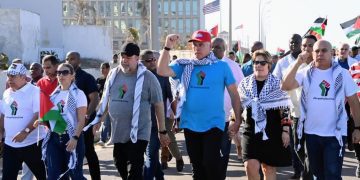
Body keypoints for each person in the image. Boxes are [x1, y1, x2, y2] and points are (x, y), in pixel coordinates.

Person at [157, 30, 242, 180]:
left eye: (201, 45)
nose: (197, 48)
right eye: (195, 45)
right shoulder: (185, 65)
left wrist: (237, 121)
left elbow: (235, 95)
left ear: (210, 46)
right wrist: (167, 46)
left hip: (214, 125)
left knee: (211, 164)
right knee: (197, 167)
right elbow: (161, 70)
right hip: (190, 124)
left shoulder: (222, 66)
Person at [281, 40, 360, 179]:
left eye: (324, 50)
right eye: (317, 51)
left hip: (335, 134)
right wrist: (298, 63)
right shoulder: (305, 72)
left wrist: (358, 128)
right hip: (311, 134)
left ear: (332, 53)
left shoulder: (342, 74)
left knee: (332, 175)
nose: (320, 53)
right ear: (312, 53)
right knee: (316, 175)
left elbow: (354, 102)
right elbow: (286, 86)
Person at [91, 42, 170, 179]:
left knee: (134, 170)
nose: (124, 60)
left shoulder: (148, 77)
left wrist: (162, 131)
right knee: (120, 165)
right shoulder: (113, 75)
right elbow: (106, 99)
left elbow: (158, 104)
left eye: (128, 57)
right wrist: (99, 119)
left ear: (137, 58)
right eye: (122, 56)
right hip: (119, 132)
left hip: (139, 132)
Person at [239, 50, 292, 180]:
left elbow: (285, 108)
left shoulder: (278, 84)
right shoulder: (245, 84)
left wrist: (285, 130)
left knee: (268, 168)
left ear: (269, 65)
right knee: (249, 166)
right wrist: (234, 122)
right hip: (250, 131)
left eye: (263, 63)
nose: (259, 65)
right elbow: (238, 106)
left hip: (272, 131)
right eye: (256, 62)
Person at [0, 63, 46, 179]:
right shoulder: (7, 93)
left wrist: (25, 132)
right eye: (9, 75)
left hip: (32, 144)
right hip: (10, 144)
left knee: (43, 176)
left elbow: (39, 115)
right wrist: (1, 132)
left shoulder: (35, 91)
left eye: (13, 76)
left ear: (23, 77)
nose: (10, 79)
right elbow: (4, 114)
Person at [41, 63, 87, 179]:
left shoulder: (78, 94)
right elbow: (52, 117)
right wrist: (43, 121)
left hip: (71, 138)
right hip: (54, 137)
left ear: (72, 75)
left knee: (75, 175)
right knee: (53, 176)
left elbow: (81, 120)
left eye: (65, 72)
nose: (61, 75)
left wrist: (75, 138)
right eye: (59, 73)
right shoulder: (53, 95)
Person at [212, 37, 244, 179]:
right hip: (206, 119)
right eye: (212, 46)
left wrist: (236, 117)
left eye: (218, 47)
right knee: (208, 155)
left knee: (223, 153)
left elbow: (242, 91)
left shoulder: (232, 66)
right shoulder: (203, 64)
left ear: (224, 49)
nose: (214, 49)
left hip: (226, 119)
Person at [272, 34, 304, 179]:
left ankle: (306, 168)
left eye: (296, 42)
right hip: (288, 107)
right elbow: (275, 81)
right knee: (293, 141)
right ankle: (298, 169)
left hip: (305, 107)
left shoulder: (307, 59)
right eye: (291, 42)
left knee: (305, 140)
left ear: (301, 43)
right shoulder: (282, 62)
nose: (294, 44)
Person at [66, 51, 101, 180]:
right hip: (69, 124)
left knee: (88, 151)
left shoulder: (86, 77)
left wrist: (86, 117)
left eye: (72, 59)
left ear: (79, 61)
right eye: (67, 59)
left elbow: (95, 98)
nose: (69, 61)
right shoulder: (64, 78)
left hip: (85, 123)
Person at [96, 62, 111, 146]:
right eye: (101, 68)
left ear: (109, 69)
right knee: (105, 121)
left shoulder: (112, 79)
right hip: (103, 104)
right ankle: (103, 139)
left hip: (112, 103)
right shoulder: (99, 80)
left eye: (104, 68)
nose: (102, 70)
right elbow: (96, 93)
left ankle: (107, 138)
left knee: (109, 121)